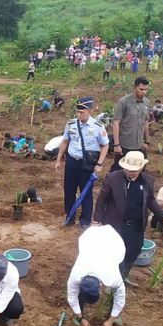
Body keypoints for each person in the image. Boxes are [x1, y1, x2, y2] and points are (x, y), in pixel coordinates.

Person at [94, 152, 163, 286]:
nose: (130, 172)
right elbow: (101, 199)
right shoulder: (113, 178)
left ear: (141, 168)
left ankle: (123, 275)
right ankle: (112, 279)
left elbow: (151, 201)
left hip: (136, 224)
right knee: (113, 251)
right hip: (115, 223)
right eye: (127, 169)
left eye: (133, 170)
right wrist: (97, 220)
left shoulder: (147, 181)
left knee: (134, 250)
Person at [55, 97, 109, 229]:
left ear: (89, 111)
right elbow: (65, 141)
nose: (79, 115)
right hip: (72, 161)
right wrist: (58, 159)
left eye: (82, 112)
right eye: (77, 112)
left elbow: (105, 145)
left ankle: (85, 220)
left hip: (87, 164)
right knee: (69, 190)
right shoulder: (71, 124)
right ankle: (69, 217)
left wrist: (100, 164)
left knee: (85, 192)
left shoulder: (97, 127)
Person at [67, 225, 126, 326]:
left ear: (100, 285)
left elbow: (120, 298)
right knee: (77, 296)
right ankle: (77, 316)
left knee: (121, 274)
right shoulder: (76, 274)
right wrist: (81, 319)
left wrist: (111, 321)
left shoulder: (113, 276)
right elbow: (72, 295)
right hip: (89, 238)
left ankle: (114, 316)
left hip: (114, 243)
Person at [111, 77, 150, 172]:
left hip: (139, 145)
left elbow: (146, 122)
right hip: (125, 145)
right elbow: (116, 122)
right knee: (119, 171)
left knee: (140, 169)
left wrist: (147, 141)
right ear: (134, 88)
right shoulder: (124, 102)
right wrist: (116, 145)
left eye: (146, 89)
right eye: (141, 89)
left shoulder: (146, 102)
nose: (144, 92)